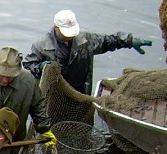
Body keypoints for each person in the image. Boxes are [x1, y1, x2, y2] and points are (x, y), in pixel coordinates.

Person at [23, 10, 153, 95]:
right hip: (52, 95)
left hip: (80, 93)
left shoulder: (85, 40)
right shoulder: (41, 46)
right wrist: (40, 68)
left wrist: (129, 41)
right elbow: (28, 64)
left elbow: (107, 41)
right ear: (56, 28)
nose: (70, 36)